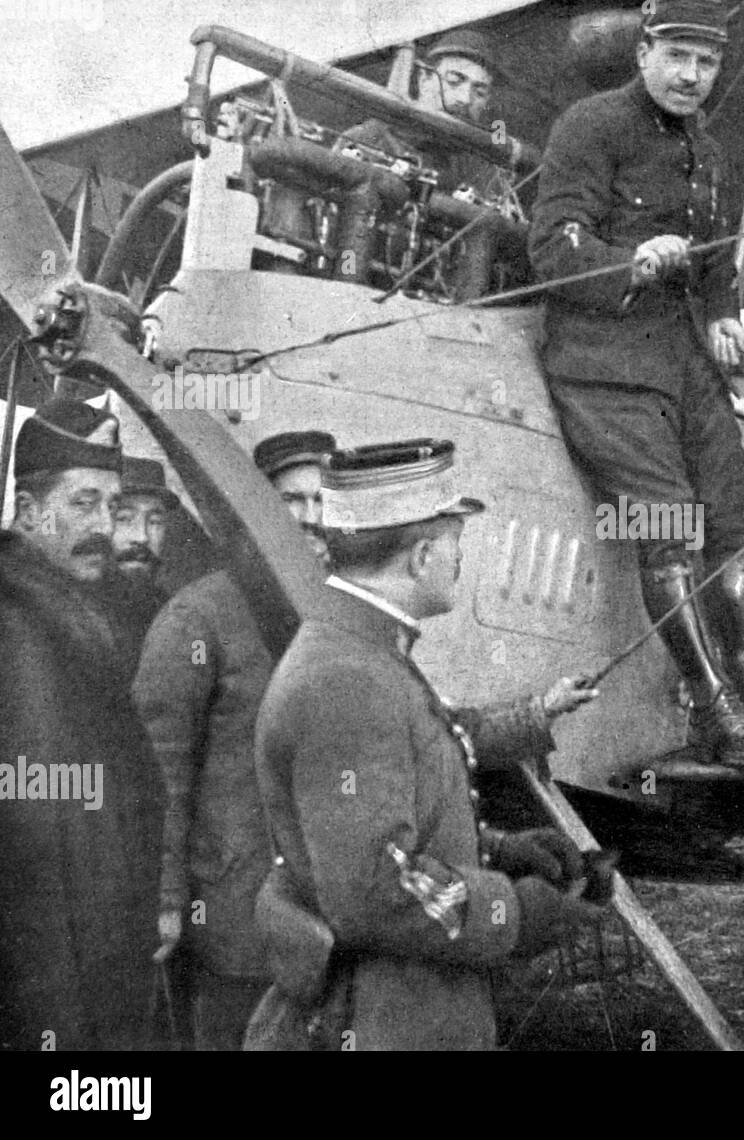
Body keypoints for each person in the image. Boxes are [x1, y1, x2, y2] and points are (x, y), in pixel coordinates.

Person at [528, 0, 744, 769]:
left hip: (685, 363)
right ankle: (713, 713)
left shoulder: (708, 152)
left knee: (736, 511)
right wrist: (631, 260)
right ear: (644, 51)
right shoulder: (589, 125)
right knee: (668, 525)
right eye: (677, 56)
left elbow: (714, 263)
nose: (692, 76)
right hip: (605, 364)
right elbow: (552, 246)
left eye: (706, 63)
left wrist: (723, 314)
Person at [248, 438, 605, 1050]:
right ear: (420, 557)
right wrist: (512, 913)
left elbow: (392, 823)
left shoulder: (364, 653)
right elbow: (374, 888)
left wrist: (495, 851)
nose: (460, 562)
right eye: (455, 544)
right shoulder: (349, 679)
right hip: (380, 1022)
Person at [132, 430, 335, 1050]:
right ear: (255, 509)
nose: (307, 518)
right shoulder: (200, 618)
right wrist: (166, 901)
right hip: (230, 920)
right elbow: (159, 774)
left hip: (320, 916)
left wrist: (533, 717)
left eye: (320, 502)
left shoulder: (339, 617)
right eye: (289, 501)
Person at [0, 399, 163, 1049]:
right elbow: (31, 849)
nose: (106, 526)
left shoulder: (67, 614)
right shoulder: (19, 630)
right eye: (83, 503)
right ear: (31, 510)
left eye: (113, 507)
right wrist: (57, 1029)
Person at [336, 30, 501, 196]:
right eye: (454, 81)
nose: (465, 99)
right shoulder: (366, 139)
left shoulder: (481, 168)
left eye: (479, 92)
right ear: (424, 78)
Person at [98, 455, 177, 667]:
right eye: (124, 518)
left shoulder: (174, 614)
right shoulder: (61, 608)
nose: (142, 537)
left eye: (154, 521)